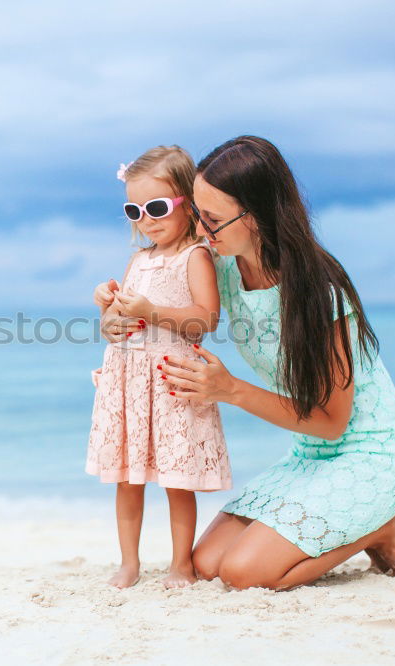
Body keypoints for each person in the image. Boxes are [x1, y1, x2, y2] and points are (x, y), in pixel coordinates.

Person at [99, 135, 395, 591]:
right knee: (207, 563)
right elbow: (167, 297)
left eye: (210, 218)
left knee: (243, 573)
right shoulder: (222, 265)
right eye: (196, 212)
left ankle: (386, 525)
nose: (200, 228)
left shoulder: (319, 292)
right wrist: (112, 314)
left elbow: (332, 423)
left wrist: (228, 389)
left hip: (369, 455)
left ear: (253, 216)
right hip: (308, 457)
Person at [87, 145, 232, 590]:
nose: (145, 219)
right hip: (129, 381)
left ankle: (180, 564)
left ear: (189, 203)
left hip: (171, 380)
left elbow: (205, 319)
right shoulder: (139, 260)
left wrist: (151, 310)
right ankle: (129, 563)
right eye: (134, 209)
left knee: (176, 480)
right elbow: (119, 328)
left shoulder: (195, 257)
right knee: (128, 479)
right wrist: (110, 314)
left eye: (156, 207)